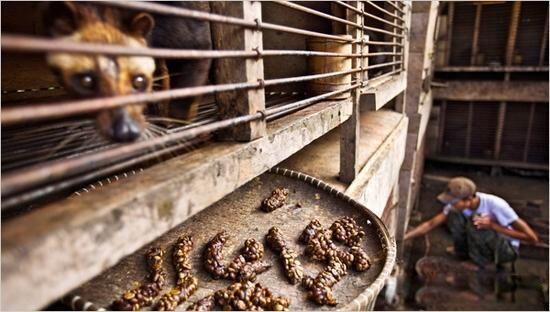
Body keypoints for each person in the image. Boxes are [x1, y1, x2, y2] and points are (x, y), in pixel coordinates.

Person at [404, 177, 539, 268]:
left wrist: (494, 226)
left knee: (478, 220)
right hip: (484, 239)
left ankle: (480, 262)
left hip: (506, 249)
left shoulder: (496, 205)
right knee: (454, 215)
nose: (452, 204)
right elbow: (431, 224)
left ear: (468, 199)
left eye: (454, 201)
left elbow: (532, 238)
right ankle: (462, 252)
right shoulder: (456, 207)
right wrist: (404, 237)